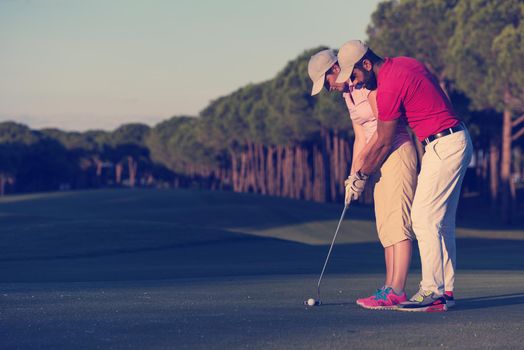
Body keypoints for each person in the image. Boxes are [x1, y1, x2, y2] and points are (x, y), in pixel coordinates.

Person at [336, 40, 473, 312]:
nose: (357, 83)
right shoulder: (405, 63)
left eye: (356, 76)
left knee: (422, 218)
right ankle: (445, 291)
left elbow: (384, 141)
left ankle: (431, 292)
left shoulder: (387, 86)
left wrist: (361, 175)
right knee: (441, 222)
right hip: (454, 138)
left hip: (444, 144)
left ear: (366, 63)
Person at [308, 49, 418, 309]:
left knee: (398, 222)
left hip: (395, 153)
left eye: (326, 83)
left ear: (334, 69)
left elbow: (382, 132)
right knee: (385, 226)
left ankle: (398, 290)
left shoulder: (366, 86)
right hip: (376, 160)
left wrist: (362, 172)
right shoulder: (348, 94)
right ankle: (388, 287)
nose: (328, 89)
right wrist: (352, 176)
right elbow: (361, 137)